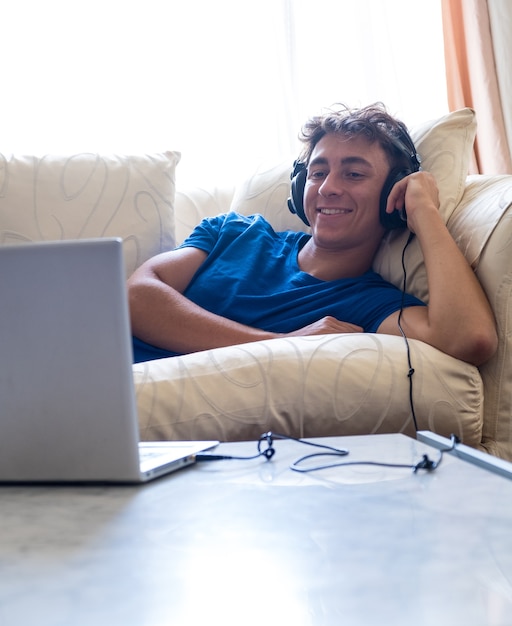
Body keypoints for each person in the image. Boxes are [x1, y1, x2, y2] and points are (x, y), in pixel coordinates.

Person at [128, 103, 498, 366]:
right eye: (318, 173)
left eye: (353, 174)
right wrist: (281, 345)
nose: (327, 188)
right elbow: (135, 295)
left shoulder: (365, 303)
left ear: (391, 195)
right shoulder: (234, 231)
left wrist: (425, 213)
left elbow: (470, 338)